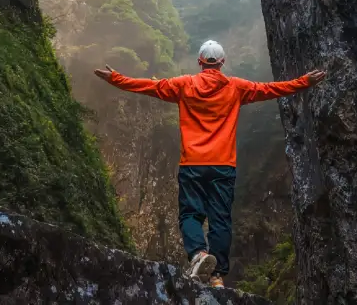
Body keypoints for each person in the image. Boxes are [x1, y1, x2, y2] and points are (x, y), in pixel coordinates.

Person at [94, 39, 326, 289]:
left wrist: (115, 78)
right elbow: (271, 89)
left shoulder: (184, 84)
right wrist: (305, 82)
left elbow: (150, 86)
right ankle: (217, 277)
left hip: (192, 163)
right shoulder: (236, 87)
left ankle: (199, 255)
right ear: (222, 63)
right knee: (221, 219)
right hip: (223, 165)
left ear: (200, 62)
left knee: (190, 214)